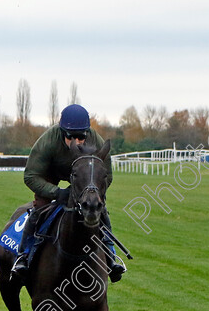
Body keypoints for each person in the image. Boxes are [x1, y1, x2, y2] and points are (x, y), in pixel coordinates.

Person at [10, 104, 126, 282]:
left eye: (81, 137)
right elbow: (30, 175)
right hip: (51, 174)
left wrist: (89, 193)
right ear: (63, 132)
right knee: (39, 209)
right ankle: (23, 256)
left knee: (99, 210)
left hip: (85, 178)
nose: (77, 141)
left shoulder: (97, 142)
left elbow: (106, 176)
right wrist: (56, 192)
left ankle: (111, 257)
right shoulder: (48, 141)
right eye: (71, 137)